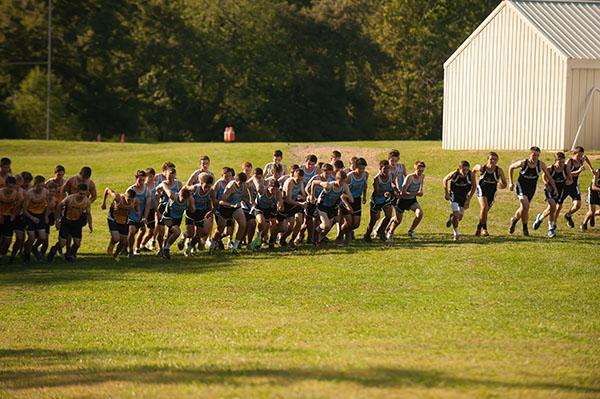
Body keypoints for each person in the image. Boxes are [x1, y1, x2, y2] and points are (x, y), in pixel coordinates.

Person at [508, 147, 556, 237]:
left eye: (537, 155)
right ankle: (525, 228)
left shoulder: (541, 164)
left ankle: (514, 220)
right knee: (526, 206)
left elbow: (548, 176)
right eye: (534, 155)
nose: (535, 157)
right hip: (521, 186)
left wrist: (554, 188)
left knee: (523, 208)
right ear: (529, 154)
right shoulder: (523, 163)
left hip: (531, 188)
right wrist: (511, 182)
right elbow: (511, 167)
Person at [47, 183, 92, 263]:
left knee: (77, 243)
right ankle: (53, 250)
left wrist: (90, 224)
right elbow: (59, 207)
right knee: (62, 243)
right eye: (80, 193)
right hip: (66, 221)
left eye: (84, 194)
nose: (82, 195)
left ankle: (69, 254)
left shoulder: (87, 202)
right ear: (77, 192)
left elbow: (88, 213)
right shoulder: (69, 199)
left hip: (77, 223)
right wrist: (57, 220)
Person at [533, 152, 572, 237]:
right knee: (553, 206)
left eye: (563, 162)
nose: (561, 164)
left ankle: (540, 218)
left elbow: (570, 179)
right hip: (550, 189)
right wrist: (547, 185)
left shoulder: (566, 168)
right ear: (555, 161)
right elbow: (544, 176)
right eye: (559, 162)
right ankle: (550, 228)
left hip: (561, 189)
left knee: (551, 208)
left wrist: (568, 182)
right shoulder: (551, 169)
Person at [211, 172, 252, 254]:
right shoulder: (231, 187)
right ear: (235, 180)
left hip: (236, 207)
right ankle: (213, 243)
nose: (241, 185)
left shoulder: (246, 184)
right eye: (239, 183)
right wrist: (232, 205)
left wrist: (251, 200)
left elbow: (249, 188)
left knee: (243, 224)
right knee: (220, 229)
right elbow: (221, 201)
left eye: (243, 183)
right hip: (225, 208)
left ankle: (235, 247)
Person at [388, 161, 426, 239]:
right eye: (419, 170)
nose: (420, 172)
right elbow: (403, 192)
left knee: (420, 214)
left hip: (412, 201)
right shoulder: (410, 177)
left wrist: (421, 192)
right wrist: (416, 193)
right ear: (415, 168)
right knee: (398, 221)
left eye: (422, 170)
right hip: (402, 201)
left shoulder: (422, 176)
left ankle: (411, 231)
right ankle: (390, 232)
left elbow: (421, 188)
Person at [314, 170, 353, 246]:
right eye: (341, 182)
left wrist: (346, 196)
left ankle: (317, 240)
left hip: (331, 207)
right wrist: (312, 195)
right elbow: (314, 182)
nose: (342, 184)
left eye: (344, 182)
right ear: (337, 179)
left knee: (328, 228)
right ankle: (316, 231)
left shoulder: (344, 186)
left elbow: (351, 199)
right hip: (322, 206)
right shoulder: (329, 185)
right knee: (326, 225)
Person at [473, 152, 507, 236]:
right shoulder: (482, 168)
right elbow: (473, 170)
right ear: (487, 159)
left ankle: (481, 228)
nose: (493, 161)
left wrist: (502, 185)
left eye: (495, 159)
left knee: (485, 211)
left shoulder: (498, 171)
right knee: (484, 207)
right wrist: (472, 181)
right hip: (482, 189)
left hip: (492, 192)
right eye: (491, 159)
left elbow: (504, 183)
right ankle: (481, 229)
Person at [102, 187, 139, 260]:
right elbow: (107, 189)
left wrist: (138, 213)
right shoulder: (117, 197)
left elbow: (137, 209)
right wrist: (104, 203)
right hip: (113, 218)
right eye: (128, 199)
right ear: (125, 196)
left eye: (131, 200)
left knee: (123, 242)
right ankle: (112, 243)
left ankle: (115, 256)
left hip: (124, 220)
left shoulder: (135, 201)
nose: (129, 202)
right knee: (116, 238)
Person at [443, 161, 476, 240]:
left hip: (464, 196)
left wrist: (468, 200)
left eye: (467, 170)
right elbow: (444, 180)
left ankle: (452, 217)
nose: (465, 172)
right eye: (464, 170)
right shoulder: (454, 174)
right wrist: (446, 193)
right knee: (456, 214)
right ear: (459, 169)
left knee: (459, 217)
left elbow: (474, 187)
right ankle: (456, 234)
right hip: (454, 195)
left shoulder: (471, 175)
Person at [562, 146, 595, 228]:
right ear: (574, 154)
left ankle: (568, 215)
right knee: (557, 205)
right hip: (565, 185)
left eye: (581, 155)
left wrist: (591, 168)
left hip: (574, 185)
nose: (580, 157)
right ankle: (552, 225)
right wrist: (578, 171)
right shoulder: (569, 161)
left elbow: (585, 158)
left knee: (578, 205)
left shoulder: (581, 159)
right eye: (578, 156)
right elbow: (566, 174)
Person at [183, 173, 214, 255]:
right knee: (190, 234)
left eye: (209, 187)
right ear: (201, 183)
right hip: (191, 212)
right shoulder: (195, 188)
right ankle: (183, 236)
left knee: (201, 233)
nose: (207, 189)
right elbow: (184, 190)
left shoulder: (211, 191)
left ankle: (189, 249)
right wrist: (190, 201)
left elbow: (214, 203)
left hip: (202, 213)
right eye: (205, 186)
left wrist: (211, 212)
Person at [22, 175, 51, 262]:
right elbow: (24, 210)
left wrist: (46, 216)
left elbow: (48, 205)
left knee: (42, 237)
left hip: (40, 215)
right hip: (29, 215)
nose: (40, 188)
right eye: (38, 186)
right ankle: (26, 254)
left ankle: (34, 248)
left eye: (42, 186)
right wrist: (32, 218)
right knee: (31, 238)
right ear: (34, 185)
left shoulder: (45, 192)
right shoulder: (29, 194)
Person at [161, 187, 194, 259]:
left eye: (185, 199)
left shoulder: (189, 199)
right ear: (179, 194)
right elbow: (164, 186)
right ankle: (166, 249)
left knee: (170, 235)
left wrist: (191, 203)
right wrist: (159, 188)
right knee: (177, 232)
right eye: (182, 198)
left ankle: (164, 252)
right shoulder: (172, 196)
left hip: (178, 219)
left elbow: (192, 210)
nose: (183, 201)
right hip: (168, 217)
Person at [364, 160, 394, 242]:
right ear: (380, 169)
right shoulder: (377, 178)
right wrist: (386, 193)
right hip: (376, 201)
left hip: (386, 199)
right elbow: (377, 192)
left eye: (388, 168)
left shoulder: (391, 175)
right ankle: (367, 234)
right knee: (373, 220)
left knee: (388, 216)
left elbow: (394, 185)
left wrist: (392, 191)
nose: (387, 170)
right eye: (385, 168)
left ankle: (381, 231)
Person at [252, 175, 284, 249]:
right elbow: (254, 179)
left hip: (270, 208)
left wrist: (280, 206)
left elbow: (280, 203)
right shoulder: (261, 190)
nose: (274, 191)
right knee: (261, 222)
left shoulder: (278, 193)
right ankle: (258, 240)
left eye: (276, 189)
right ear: (268, 186)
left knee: (274, 224)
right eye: (272, 189)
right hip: (259, 208)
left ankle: (271, 241)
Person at [154, 167, 180, 255]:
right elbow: (157, 195)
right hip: (163, 209)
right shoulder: (163, 184)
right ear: (166, 175)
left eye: (172, 176)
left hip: (173, 210)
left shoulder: (178, 184)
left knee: (171, 232)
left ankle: (165, 248)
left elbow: (183, 195)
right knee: (161, 232)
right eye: (169, 176)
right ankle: (160, 247)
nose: (171, 179)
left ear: (175, 175)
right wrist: (157, 211)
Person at [280, 168, 306, 247]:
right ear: (294, 176)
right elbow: (287, 199)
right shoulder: (290, 182)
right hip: (286, 205)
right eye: (298, 179)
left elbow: (303, 195)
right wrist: (300, 204)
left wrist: (304, 198)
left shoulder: (301, 181)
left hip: (295, 203)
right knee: (289, 227)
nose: (299, 181)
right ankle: (282, 239)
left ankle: (292, 240)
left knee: (299, 220)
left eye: (301, 179)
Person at [127, 170, 151, 256]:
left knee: (143, 231)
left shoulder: (147, 190)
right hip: (131, 215)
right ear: (136, 178)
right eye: (140, 180)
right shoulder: (131, 190)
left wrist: (145, 217)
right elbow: (126, 203)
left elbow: (147, 205)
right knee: (132, 231)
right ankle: (130, 250)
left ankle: (137, 248)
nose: (141, 182)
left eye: (143, 180)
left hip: (140, 215)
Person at [0, 176, 24, 262]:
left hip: (9, 218)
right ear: (5, 185)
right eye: (9, 187)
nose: (11, 189)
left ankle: (2, 254)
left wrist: (14, 214)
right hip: (1, 216)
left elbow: (18, 205)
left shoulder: (16, 194)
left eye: (12, 187)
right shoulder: (0, 193)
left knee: (8, 240)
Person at [344, 157, 368, 240]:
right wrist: (347, 205)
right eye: (360, 168)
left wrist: (364, 196)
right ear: (355, 167)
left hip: (357, 200)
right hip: (347, 200)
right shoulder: (349, 176)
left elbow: (365, 185)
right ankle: (340, 236)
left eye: (363, 168)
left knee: (356, 224)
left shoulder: (365, 174)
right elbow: (342, 192)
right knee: (349, 222)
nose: (361, 170)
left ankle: (348, 232)